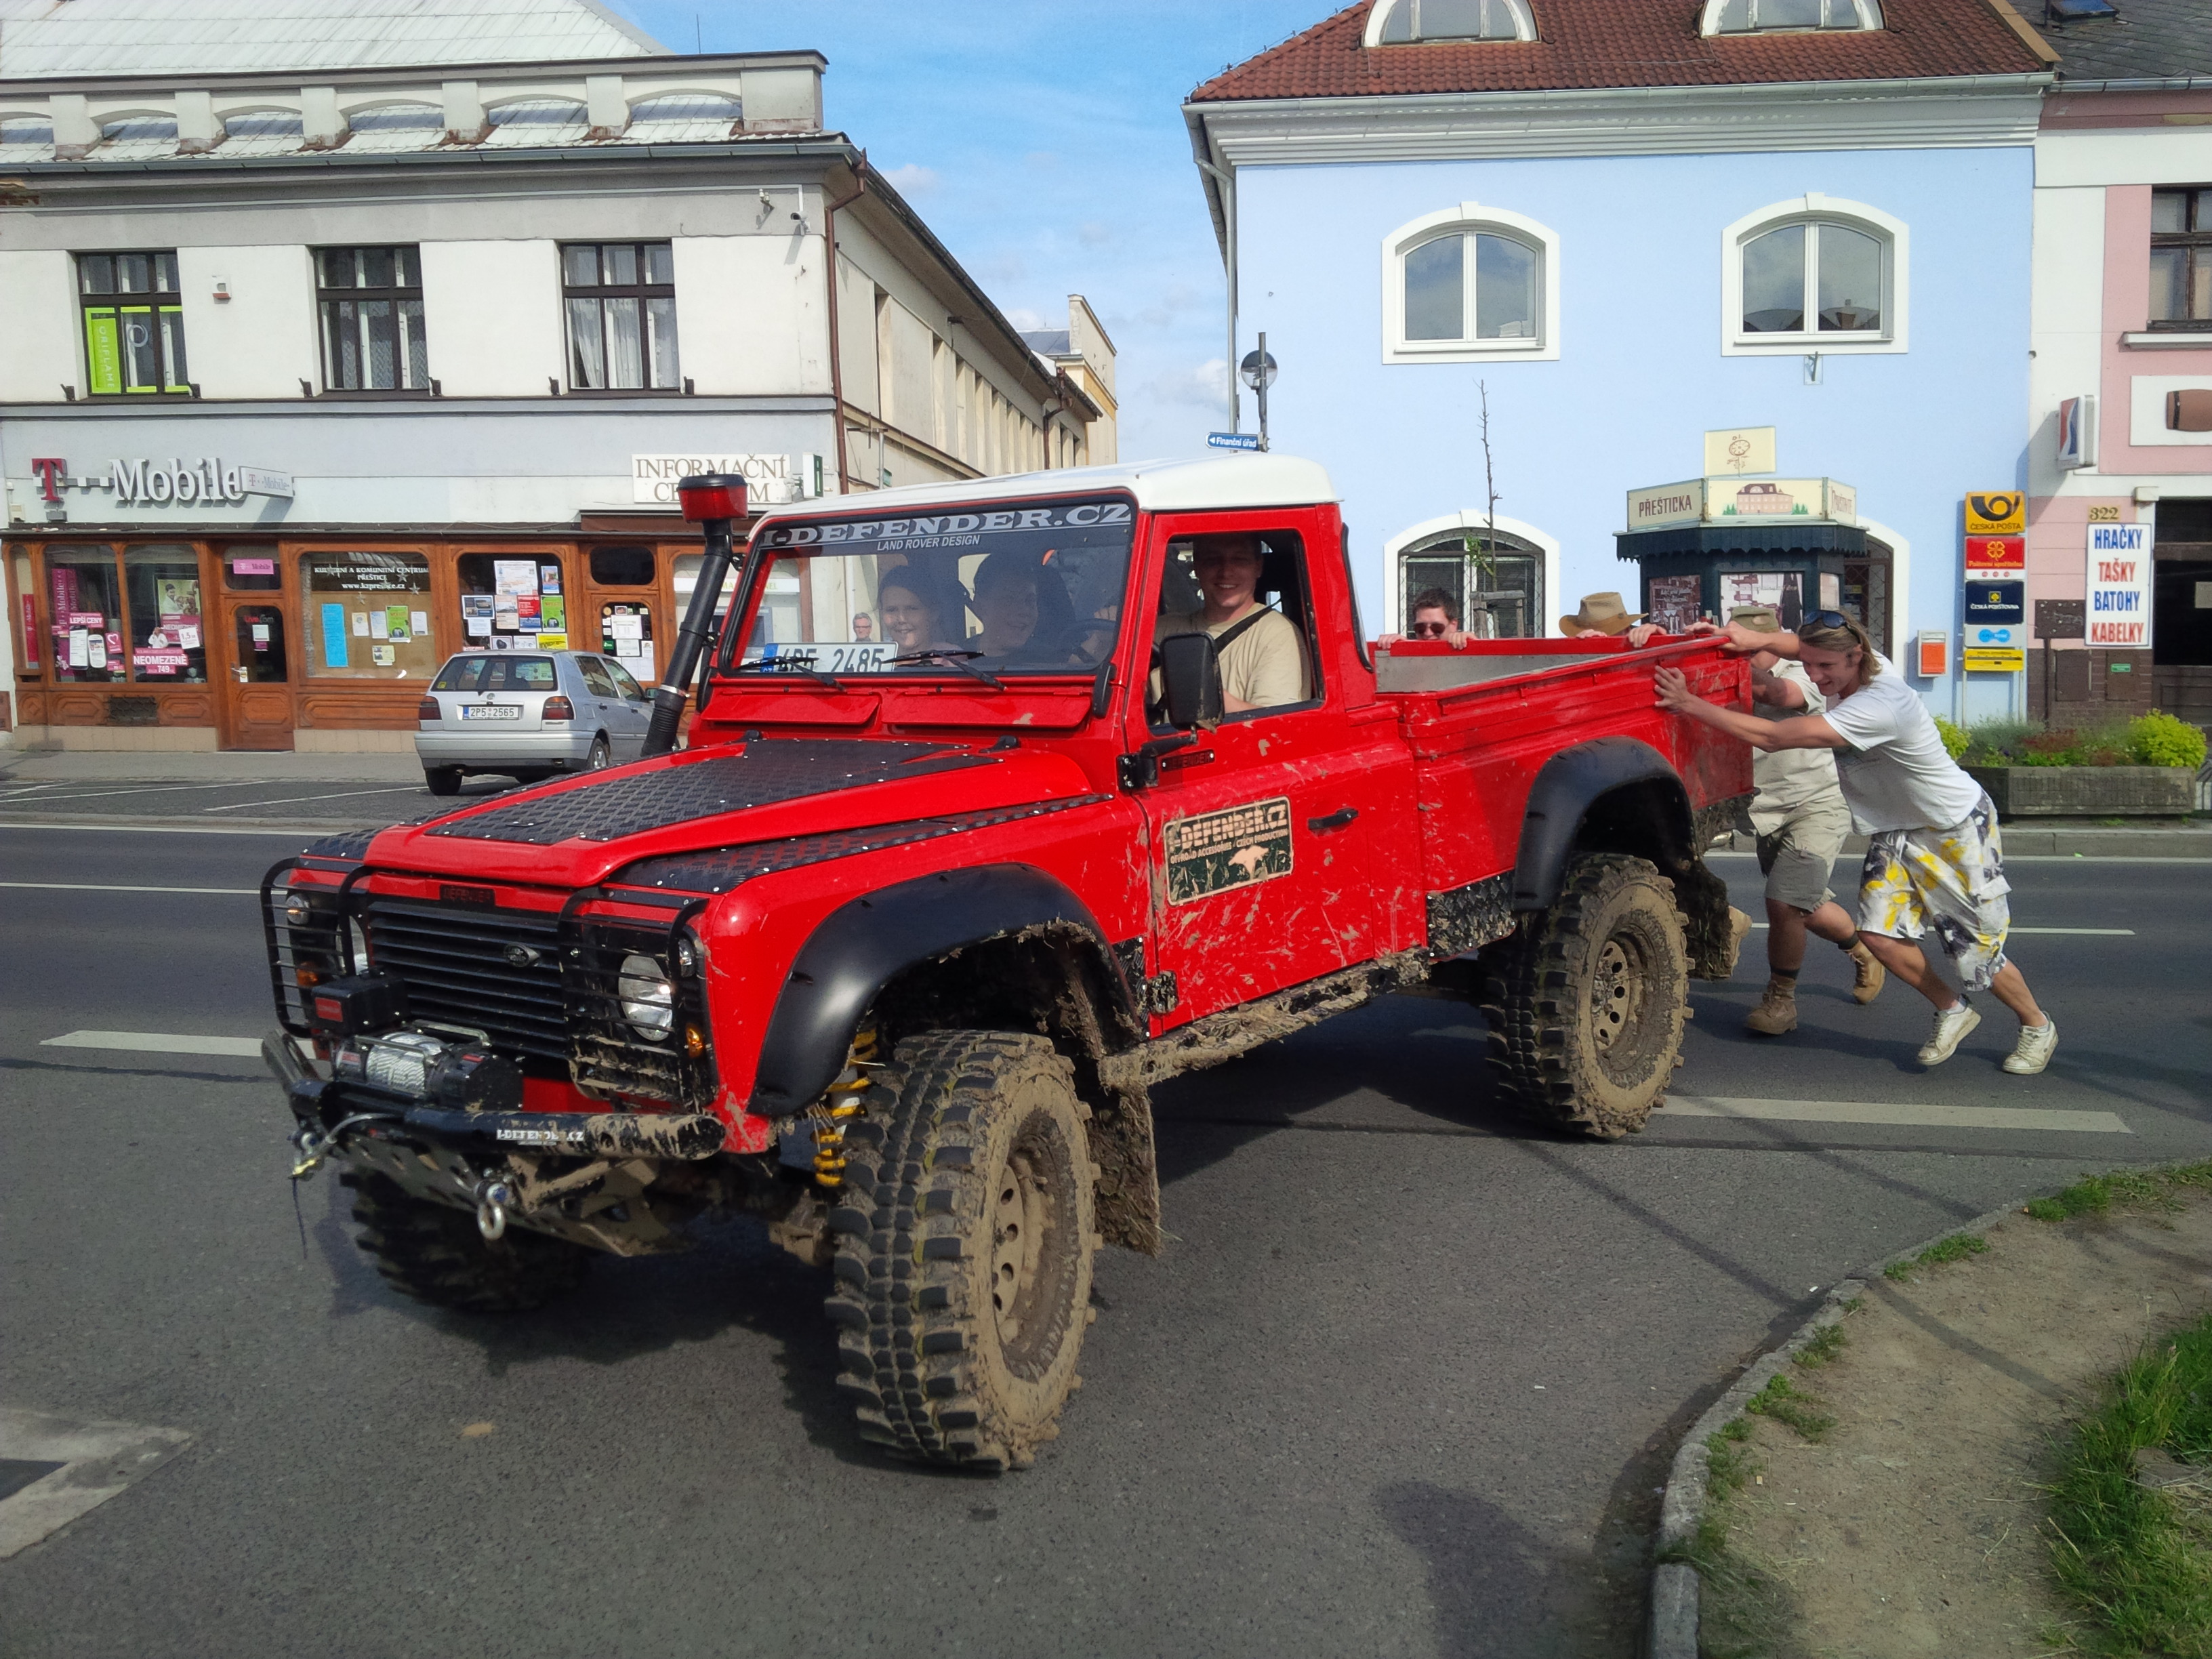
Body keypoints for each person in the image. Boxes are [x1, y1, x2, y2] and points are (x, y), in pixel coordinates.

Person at [1654, 610, 2056, 1074]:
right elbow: (1797, 645)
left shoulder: (1880, 704)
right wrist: (1745, 637)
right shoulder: (1863, 663)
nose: (1816, 676)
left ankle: (2037, 1025)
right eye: (1810, 664)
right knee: (1878, 935)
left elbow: (1774, 736)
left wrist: (1688, 703)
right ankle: (1953, 1009)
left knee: (1974, 951)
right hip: (1896, 828)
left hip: (1952, 828)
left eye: (1826, 667)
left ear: (1855, 656)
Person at [1720, 603, 1886, 1036]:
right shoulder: (1732, 670)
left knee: (1785, 903)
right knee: (1807, 907)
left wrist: (1725, 666)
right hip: (1763, 810)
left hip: (1815, 803)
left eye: (1749, 647)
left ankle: (1781, 1000)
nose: (1742, 654)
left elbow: (1778, 696)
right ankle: (1862, 949)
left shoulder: (1805, 673)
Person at [1154, 531, 1309, 711]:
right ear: (1197, 566)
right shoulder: (1162, 631)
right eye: (1213, 560)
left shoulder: (1277, 633)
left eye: (1239, 560)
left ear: (1258, 567)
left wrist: (1204, 695)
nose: (1226, 572)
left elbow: (1275, 723)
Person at [878, 575, 958, 656]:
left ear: (933, 613)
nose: (902, 619)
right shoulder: (878, 658)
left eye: (911, 609)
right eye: (891, 610)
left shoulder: (953, 657)